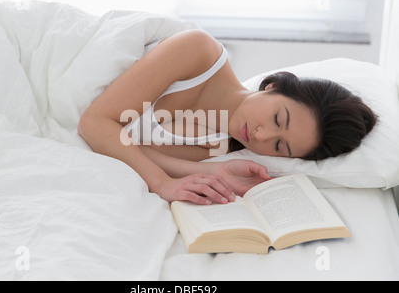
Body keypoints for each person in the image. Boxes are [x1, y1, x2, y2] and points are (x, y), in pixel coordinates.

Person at [78, 30, 377, 205]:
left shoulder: (222, 145)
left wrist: (215, 171)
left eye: (278, 147)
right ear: (273, 86)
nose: (260, 136)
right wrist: (161, 183)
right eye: (277, 119)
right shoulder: (198, 51)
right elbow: (95, 123)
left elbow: (128, 148)